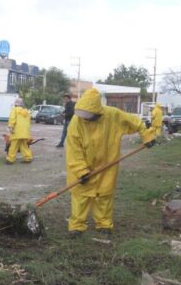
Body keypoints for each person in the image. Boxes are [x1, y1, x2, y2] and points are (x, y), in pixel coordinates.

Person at [66, 88, 156, 236]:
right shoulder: (76, 122)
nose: (85, 119)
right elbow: (73, 150)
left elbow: (136, 123)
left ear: (97, 112)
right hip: (82, 167)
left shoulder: (113, 115)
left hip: (107, 165)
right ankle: (76, 226)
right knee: (80, 197)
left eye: (88, 116)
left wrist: (147, 136)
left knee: (104, 195)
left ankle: (104, 224)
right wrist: (81, 171)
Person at [6, 98, 33, 164]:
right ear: (22, 105)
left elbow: (12, 119)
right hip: (25, 133)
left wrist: (10, 127)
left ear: (15, 104)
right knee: (24, 146)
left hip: (16, 132)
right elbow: (28, 122)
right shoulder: (27, 112)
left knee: (13, 146)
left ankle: (10, 159)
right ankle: (28, 158)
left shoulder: (14, 110)